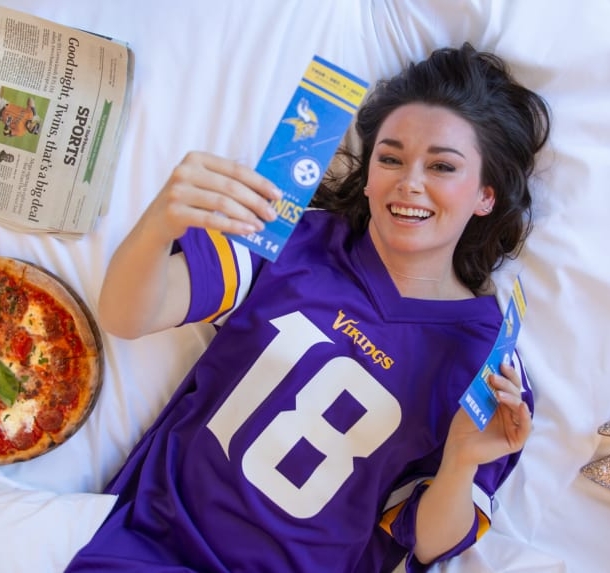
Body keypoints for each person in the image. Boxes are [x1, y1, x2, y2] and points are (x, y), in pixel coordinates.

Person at [66, 42, 550, 572]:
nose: (410, 181)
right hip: (151, 549)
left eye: (442, 166)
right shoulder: (294, 239)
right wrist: (161, 224)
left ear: (485, 196)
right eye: (390, 158)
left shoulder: (488, 360)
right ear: (368, 177)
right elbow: (125, 316)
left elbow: (429, 544)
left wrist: (460, 460)